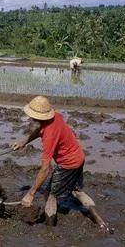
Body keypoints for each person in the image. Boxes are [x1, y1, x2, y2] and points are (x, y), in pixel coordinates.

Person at [12, 96, 109, 231]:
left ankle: (50, 229)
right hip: (78, 157)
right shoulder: (56, 116)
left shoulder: (49, 135)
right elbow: (40, 129)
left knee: (50, 194)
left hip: (68, 164)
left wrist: (31, 193)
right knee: (76, 191)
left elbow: (45, 168)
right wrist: (24, 141)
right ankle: (101, 222)